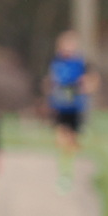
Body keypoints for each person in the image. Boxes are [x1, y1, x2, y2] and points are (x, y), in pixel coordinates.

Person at [45, 29, 97, 187]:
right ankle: (64, 171)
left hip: (75, 107)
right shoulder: (55, 62)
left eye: (71, 45)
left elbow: (92, 82)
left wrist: (84, 87)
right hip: (60, 107)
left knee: (72, 142)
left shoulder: (82, 63)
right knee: (61, 139)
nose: (68, 48)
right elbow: (50, 82)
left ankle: (70, 169)